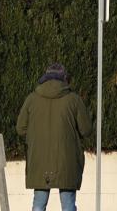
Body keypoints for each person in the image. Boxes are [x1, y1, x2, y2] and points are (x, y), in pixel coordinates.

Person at [16, 62, 92, 211]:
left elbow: (20, 128)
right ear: (64, 78)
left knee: (38, 204)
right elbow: (86, 130)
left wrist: (35, 135)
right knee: (68, 204)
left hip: (39, 158)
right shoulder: (73, 99)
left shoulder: (32, 99)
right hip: (67, 159)